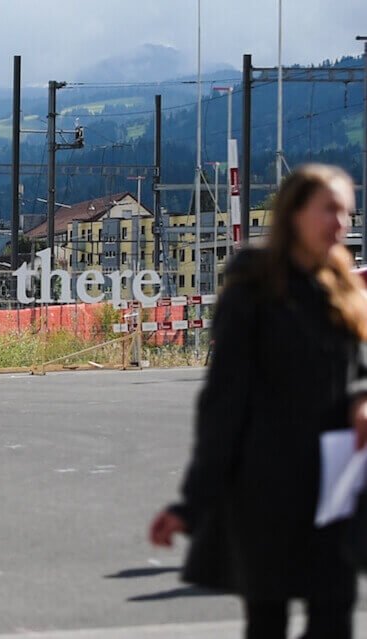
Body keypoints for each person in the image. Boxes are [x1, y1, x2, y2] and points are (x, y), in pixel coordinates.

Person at [149, 164, 367, 639]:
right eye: (329, 210)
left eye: (347, 213)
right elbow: (224, 402)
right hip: (267, 488)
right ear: (293, 213)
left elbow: (358, 370)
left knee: (335, 612)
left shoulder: (344, 290)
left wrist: (360, 400)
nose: (341, 224)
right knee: (268, 619)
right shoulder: (254, 293)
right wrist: (192, 503)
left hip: (335, 488)